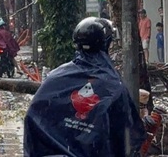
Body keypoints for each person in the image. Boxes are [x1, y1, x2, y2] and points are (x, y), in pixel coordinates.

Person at [23, 17, 146, 157]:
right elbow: (126, 138)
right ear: (107, 44)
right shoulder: (113, 86)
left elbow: (33, 118)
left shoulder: (56, 78)